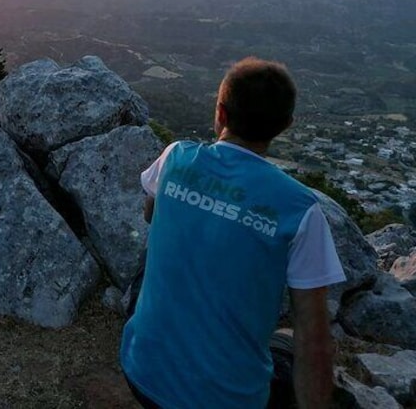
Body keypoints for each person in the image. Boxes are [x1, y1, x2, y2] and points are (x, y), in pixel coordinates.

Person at [119, 57, 346, 409]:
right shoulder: (299, 209)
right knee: (287, 346)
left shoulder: (176, 157)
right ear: (285, 125)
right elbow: (313, 337)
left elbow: (150, 212)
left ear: (221, 113)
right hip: (226, 399)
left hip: (141, 371)